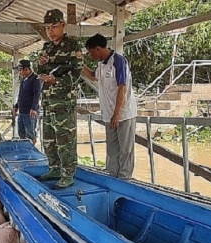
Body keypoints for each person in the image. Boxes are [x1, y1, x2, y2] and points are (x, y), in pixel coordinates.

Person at [36, 8, 83, 190]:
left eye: (54, 27)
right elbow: (39, 72)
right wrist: (39, 65)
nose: (50, 31)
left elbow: (77, 74)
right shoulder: (46, 47)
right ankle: (54, 169)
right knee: (49, 139)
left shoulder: (72, 46)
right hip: (48, 101)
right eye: (47, 28)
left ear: (62, 25)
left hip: (64, 102)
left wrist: (56, 79)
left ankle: (67, 174)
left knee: (65, 140)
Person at [81, 33, 137, 179]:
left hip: (123, 113)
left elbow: (122, 87)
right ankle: (112, 175)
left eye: (90, 52)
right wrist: (79, 64)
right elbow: (93, 76)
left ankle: (125, 177)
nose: (90, 55)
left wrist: (117, 113)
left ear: (97, 49)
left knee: (126, 148)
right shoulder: (101, 64)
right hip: (108, 113)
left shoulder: (118, 61)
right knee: (112, 148)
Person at [12, 59, 41, 145]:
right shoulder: (23, 80)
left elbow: (37, 94)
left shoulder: (35, 79)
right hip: (22, 111)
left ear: (26, 69)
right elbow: (20, 95)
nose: (19, 72)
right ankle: (24, 152)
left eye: (20, 70)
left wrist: (33, 108)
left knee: (31, 135)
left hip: (30, 112)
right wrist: (16, 106)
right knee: (21, 133)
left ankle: (31, 153)